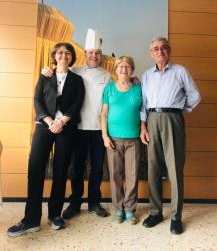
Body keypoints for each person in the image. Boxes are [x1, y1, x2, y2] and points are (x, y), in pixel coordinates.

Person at [7, 43, 85, 237]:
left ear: (72, 57)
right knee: (35, 169)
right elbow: (37, 100)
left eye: (68, 53)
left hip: (66, 127)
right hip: (44, 126)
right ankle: (31, 219)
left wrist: (62, 121)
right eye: (60, 53)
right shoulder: (45, 75)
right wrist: (50, 120)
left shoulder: (77, 79)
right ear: (54, 56)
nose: (63, 56)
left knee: (60, 171)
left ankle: (55, 215)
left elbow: (77, 103)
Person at [42, 29, 111, 218]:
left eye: (97, 53)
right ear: (85, 54)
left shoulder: (107, 76)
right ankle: (74, 203)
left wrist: (134, 80)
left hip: (98, 129)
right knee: (76, 168)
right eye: (90, 53)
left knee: (97, 168)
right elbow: (57, 73)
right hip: (77, 128)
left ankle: (95, 203)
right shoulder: (74, 71)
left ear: (100, 55)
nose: (94, 56)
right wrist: (45, 70)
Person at [140, 37, 201, 235]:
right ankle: (156, 212)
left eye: (163, 48)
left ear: (169, 50)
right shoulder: (147, 75)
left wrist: (178, 110)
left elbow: (195, 96)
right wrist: (143, 126)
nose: (160, 51)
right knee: (154, 169)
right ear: (151, 53)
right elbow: (143, 103)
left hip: (173, 119)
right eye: (156, 49)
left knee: (174, 169)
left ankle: (176, 217)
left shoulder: (180, 71)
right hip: (152, 119)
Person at [100, 56, 142, 224]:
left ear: (132, 69)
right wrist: (104, 136)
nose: (124, 69)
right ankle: (118, 208)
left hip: (134, 139)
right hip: (113, 139)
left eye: (127, 66)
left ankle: (130, 208)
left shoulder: (139, 87)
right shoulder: (109, 88)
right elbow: (103, 114)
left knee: (132, 175)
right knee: (115, 174)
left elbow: (144, 112)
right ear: (115, 69)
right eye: (120, 66)